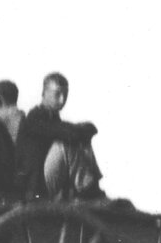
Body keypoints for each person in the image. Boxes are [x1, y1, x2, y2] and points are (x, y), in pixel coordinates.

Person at [15, 72, 105, 201]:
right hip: (35, 187)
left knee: (81, 141)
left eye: (65, 94)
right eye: (57, 94)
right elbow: (70, 134)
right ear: (44, 93)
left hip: (48, 180)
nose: (62, 100)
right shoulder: (35, 117)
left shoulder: (54, 119)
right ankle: (87, 189)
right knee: (65, 144)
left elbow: (89, 129)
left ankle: (92, 186)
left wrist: (82, 131)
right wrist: (81, 130)